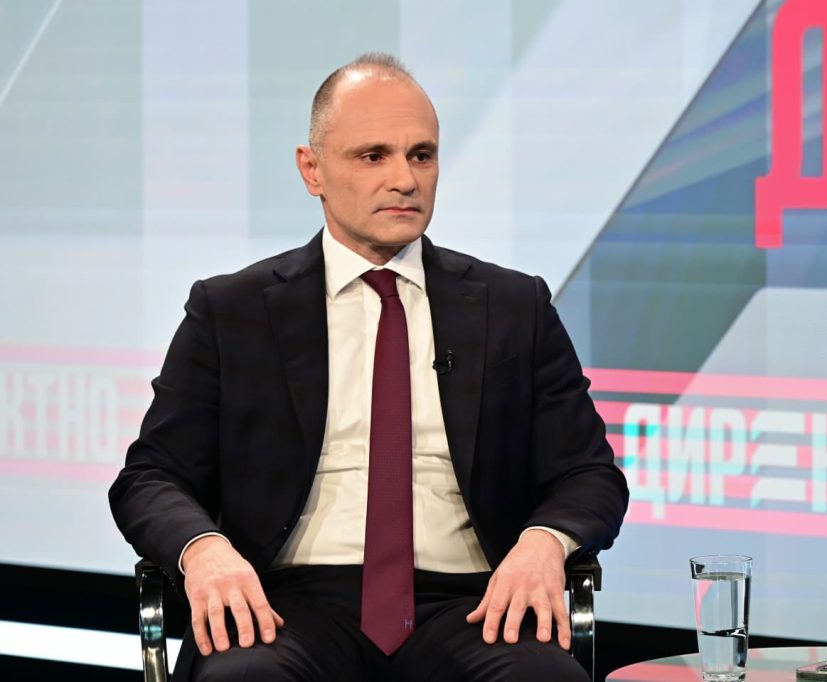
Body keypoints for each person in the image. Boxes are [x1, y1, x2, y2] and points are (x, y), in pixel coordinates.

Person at [109, 52, 628, 681]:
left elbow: (590, 474)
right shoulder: (233, 310)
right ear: (312, 169)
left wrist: (545, 542)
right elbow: (150, 477)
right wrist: (204, 550)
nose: (405, 179)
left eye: (422, 155)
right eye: (373, 156)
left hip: (473, 602)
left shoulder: (514, 305)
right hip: (285, 602)